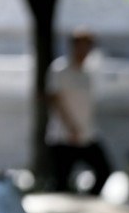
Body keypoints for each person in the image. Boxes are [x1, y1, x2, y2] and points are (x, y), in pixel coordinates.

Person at [46, 28, 112, 195]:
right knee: (61, 182)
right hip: (62, 137)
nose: (84, 50)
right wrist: (70, 127)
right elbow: (55, 100)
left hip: (87, 135)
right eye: (81, 46)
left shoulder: (88, 73)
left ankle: (87, 201)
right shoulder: (59, 69)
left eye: (87, 46)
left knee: (104, 171)